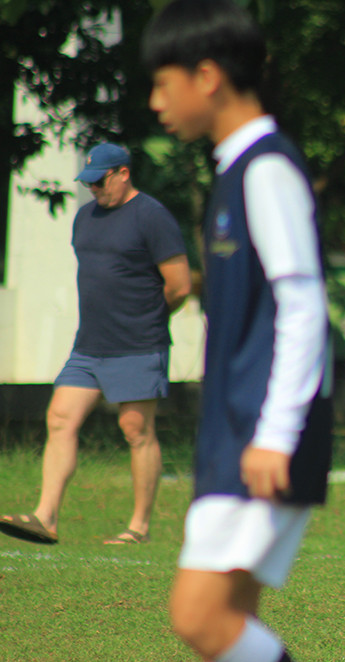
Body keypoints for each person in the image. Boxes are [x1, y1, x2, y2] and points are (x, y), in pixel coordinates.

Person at [142, 2, 333, 662]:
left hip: (263, 433)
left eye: (163, 83)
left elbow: (304, 305)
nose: (154, 102)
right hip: (236, 429)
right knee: (230, 625)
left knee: (197, 615)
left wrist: (277, 434)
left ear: (207, 76)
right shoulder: (233, 170)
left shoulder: (266, 169)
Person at [0, 142, 191, 546]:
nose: (95, 190)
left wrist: (148, 320)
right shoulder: (85, 217)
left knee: (136, 428)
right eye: (89, 183)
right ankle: (45, 516)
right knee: (60, 418)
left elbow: (180, 286)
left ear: (123, 173)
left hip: (139, 342)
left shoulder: (152, 217)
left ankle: (138, 527)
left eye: (101, 181)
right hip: (89, 343)